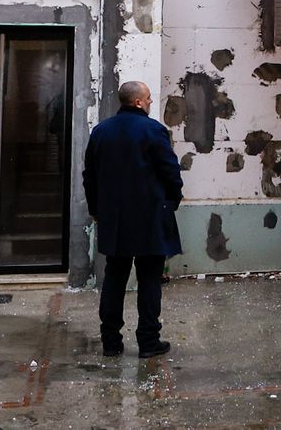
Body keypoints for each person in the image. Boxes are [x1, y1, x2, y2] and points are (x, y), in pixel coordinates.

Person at [83, 80, 183, 358]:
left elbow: (89, 175)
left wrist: (96, 209)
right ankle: (148, 341)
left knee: (115, 277)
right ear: (138, 102)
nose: (151, 102)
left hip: (114, 219)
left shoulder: (101, 132)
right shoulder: (154, 131)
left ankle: (111, 342)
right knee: (150, 278)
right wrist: (173, 200)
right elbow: (170, 171)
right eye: (149, 98)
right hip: (150, 216)